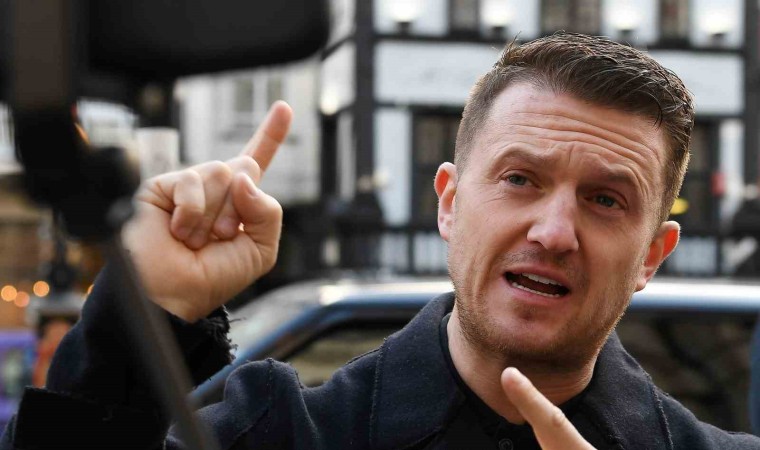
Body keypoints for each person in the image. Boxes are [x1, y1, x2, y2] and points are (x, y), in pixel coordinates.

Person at [2, 32, 759, 449]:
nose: (555, 231)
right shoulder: (278, 436)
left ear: (652, 256)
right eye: (521, 179)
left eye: (605, 200)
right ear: (449, 204)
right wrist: (145, 311)